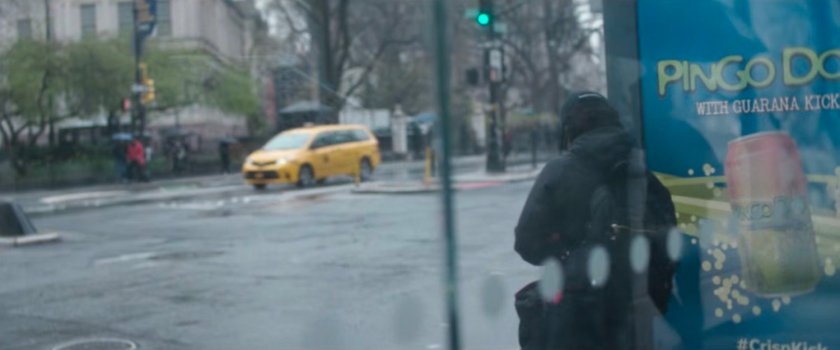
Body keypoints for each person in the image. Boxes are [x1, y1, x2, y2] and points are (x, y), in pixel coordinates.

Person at [514, 92, 677, 350]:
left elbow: (526, 243)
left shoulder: (560, 171)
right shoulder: (642, 172)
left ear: (568, 130)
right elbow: (669, 240)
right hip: (637, 311)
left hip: (578, 315)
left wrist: (564, 249)